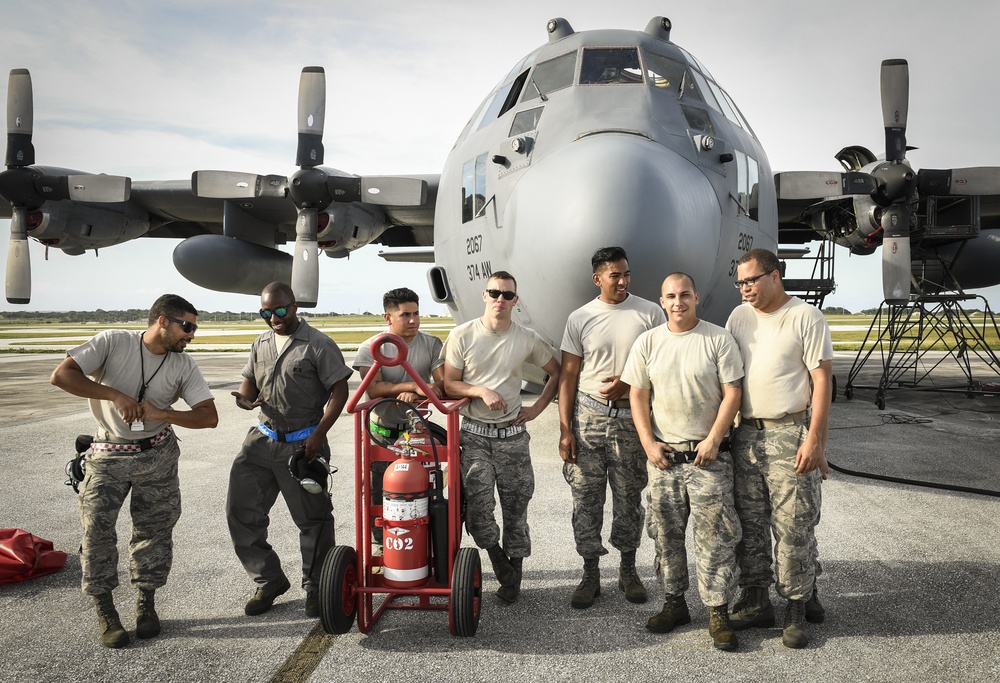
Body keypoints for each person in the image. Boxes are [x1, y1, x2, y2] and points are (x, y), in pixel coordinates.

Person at [50, 294, 218, 649]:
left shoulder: (183, 365)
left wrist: (164, 413)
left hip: (157, 456)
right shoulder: (114, 342)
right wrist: (114, 395)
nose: (191, 335)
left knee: (154, 532)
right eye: (186, 326)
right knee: (97, 533)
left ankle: (146, 603)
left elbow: (208, 416)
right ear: (162, 321)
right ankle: (106, 611)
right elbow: (62, 375)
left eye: (194, 328)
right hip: (108, 455)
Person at [621, 272, 744, 651]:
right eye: (671, 296)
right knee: (665, 538)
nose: (678, 302)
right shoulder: (648, 342)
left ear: (696, 297)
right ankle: (675, 604)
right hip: (665, 460)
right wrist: (648, 443)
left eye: (685, 295)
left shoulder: (718, 339)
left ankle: (718, 612)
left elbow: (733, 392)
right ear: (662, 301)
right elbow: (638, 397)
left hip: (709, 459)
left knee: (715, 540)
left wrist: (714, 438)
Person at [725, 248, 833, 649]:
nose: (744, 289)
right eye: (740, 282)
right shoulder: (738, 317)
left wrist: (815, 440)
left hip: (790, 432)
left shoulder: (806, 317)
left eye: (751, 280)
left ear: (775, 276)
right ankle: (756, 600)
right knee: (749, 526)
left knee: (793, 525)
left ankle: (796, 604)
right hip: (746, 435)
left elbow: (822, 382)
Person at [226, 282, 352, 619]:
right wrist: (245, 399)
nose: (273, 318)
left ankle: (316, 585)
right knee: (241, 513)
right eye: (266, 312)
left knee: (313, 520)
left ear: (295, 307)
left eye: (280, 310)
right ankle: (268, 579)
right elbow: (248, 386)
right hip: (261, 439)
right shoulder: (261, 342)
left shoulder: (318, 345)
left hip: (304, 444)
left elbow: (340, 390)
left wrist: (320, 434)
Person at [442, 271, 560, 603]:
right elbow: (450, 384)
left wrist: (536, 408)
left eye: (507, 295)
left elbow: (557, 371)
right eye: (495, 293)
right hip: (475, 437)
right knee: (478, 509)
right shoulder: (462, 335)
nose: (500, 300)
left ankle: (514, 575)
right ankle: (497, 559)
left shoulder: (526, 337)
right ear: (484, 295)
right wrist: (479, 390)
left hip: (512, 437)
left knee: (516, 507)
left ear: (515, 301)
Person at [558, 246, 665, 609]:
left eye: (626, 274)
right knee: (586, 499)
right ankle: (590, 574)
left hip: (631, 421)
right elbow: (569, 376)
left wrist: (631, 383)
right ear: (597, 278)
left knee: (629, 498)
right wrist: (564, 429)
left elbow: (662, 365)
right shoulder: (580, 317)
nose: (623, 281)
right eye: (615, 275)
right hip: (588, 419)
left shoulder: (650, 313)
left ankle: (628, 570)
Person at [353, 287, 445, 552]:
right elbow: (374, 389)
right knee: (379, 491)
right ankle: (382, 547)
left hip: (415, 433)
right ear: (388, 318)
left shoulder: (431, 344)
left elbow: (440, 388)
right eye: (405, 315)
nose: (414, 320)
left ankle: (419, 546)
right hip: (381, 432)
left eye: (416, 313)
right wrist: (411, 386)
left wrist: (417, 391)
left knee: (421, 490)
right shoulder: (371, 348)